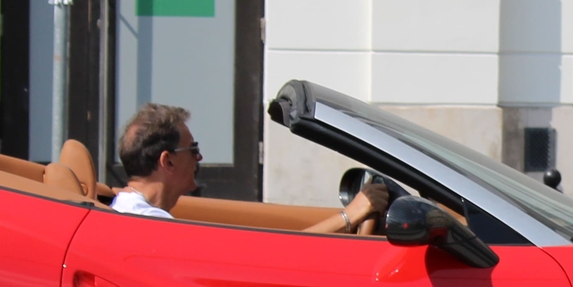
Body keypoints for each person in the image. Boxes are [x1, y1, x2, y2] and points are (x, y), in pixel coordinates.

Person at [113, 102, 391, 233]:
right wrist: (349, 216)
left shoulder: (134, 213)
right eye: (193, 150)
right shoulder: (150, 228)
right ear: (167, 161)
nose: (199, 158)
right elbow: (259, 257)